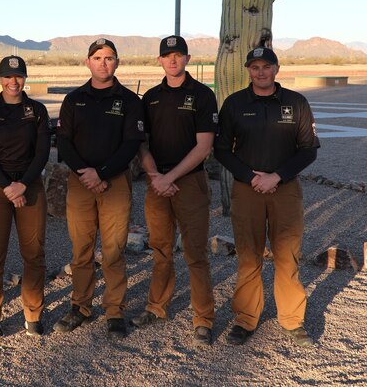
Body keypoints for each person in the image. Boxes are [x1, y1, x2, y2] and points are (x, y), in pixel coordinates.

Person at [214, 47, 320, 347]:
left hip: (285, 190)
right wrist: (252, 177)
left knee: (287, 256)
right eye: (255, 67)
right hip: (247, 190)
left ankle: (292, 321)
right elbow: (221, 149)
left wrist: (277, 176)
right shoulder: (235, 104)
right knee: (249, 256)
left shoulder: (296, 103)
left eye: (266, 66)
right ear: (248, 70)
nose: (260, 72)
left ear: (276, 69)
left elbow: (309, 149)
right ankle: (246, 319)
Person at [55, 38, 145, 340]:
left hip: (115, 182)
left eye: (109, 58)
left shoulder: (131, 101)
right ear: (87, 62)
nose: (103, 63)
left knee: (113, 250)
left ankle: (115, 310)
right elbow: (64, 142)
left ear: (117, 63)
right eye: (97, 57)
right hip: (80, 182)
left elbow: (131, 143)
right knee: (81, 249)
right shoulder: (74, 99)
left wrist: (103, 173)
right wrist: (86, 173)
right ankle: (80, 306)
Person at [131, 36, 217, 348]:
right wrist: (154, 174)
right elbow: (142, 142)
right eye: (167, 56)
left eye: (178, 55)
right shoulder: (150, 98)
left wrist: (171, 177)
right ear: (159, 60)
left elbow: (204, 145)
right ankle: (156, 307)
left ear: (187, 58)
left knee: (195, 252)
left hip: (189, 182)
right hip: (157, 183)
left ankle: (203, 318)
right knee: (161, 249)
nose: (172, 60)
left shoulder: (203, 95)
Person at [0, 55, 50, 341]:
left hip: (30, 182)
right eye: (7, 76)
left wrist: (23, 185)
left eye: (18, 76)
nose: (13, 82)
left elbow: (42, 152)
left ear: (25, 78)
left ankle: (33, 313)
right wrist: (8, 186)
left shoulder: (38, 111)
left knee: (34, 253)